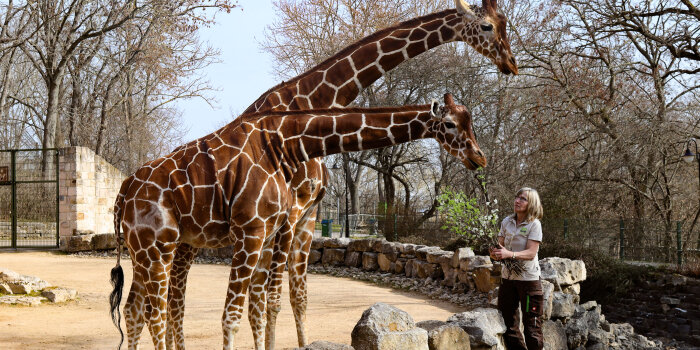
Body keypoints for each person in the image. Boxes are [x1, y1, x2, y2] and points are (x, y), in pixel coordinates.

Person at [490, 187, 544, 350]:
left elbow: (531, 253)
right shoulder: (506, 221)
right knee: (508, 323)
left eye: (523, 199)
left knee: (532, 326)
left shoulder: (535, 224)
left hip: (529, 281)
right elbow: (499, 245)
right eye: (517, 197)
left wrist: (509, 254)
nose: (518, 200)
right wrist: (495, 253)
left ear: (532, 203)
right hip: (508, 279)